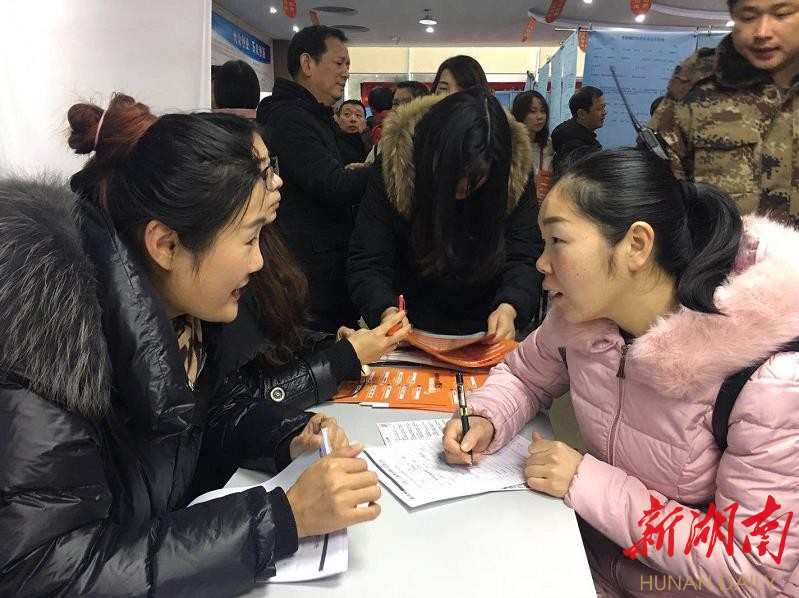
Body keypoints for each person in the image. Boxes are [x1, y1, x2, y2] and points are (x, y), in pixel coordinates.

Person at [0, 93, 392, 595]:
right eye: (249, 240)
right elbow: (45, 568)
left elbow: (204, 418)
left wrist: (287, 434)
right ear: (166, 245)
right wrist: (281, 518)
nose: (258, 262)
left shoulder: (184, 314)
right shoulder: (48, 346)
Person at [442, 148, 799, 596]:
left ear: (636, 245)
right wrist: (486, 417)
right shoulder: (582, 321)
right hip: (582, 563)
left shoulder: (768, 382)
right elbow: (524, 375)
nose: (541, 263)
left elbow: (755, 572)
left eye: (558, 240)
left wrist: (585, 482)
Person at [348, 87, 543, 339]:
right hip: (407, 323)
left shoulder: (513, 174)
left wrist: (511, 307)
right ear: (429, 152)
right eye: (452, 173)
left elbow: (524, 254)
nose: (463, 185)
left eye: (476, 176)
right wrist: (386, 311)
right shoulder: (397, 168)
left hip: (487, 325)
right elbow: (368, 258)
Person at [257, 25, 370, 333]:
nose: (346, 72)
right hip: (309, 275)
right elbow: (332, 184)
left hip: (322, 269)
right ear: (307, 63)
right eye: (339, 62)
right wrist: (392, 169)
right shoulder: (291, 118)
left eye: (348, 64)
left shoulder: (315, 115)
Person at [649, 0, 799, 221]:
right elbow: (656, 190)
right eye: (748, 17)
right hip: (719, 241)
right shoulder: (698, 87)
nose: (762, 32)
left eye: (782, 15)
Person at [550, 85, 606, 174]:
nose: (604, 113)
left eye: (604, 107)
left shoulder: (568, 132)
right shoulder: (576, 147)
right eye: (599, 108)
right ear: (582, 114)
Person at [511, 90, 554, 198]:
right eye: (533, 111)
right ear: (520, 114)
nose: (540, 117)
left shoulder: (549, 145)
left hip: (543, 200)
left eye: (543, 111)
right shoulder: (512, 146)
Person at [335, 99, 371, 164]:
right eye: (347, 114)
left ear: (365, 123)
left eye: (358, 115)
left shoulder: (372, 145)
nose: (353, 119)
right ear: (338, 120)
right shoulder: (331, 144)